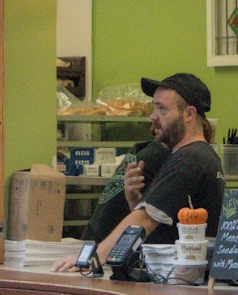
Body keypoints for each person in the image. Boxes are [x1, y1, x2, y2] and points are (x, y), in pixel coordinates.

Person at [54, 73, 225, 271]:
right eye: (154, 107)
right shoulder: (202, 156)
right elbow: (163, 223)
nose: (153, 116)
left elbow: (145, 219)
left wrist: (91, 259)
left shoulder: (189, 159)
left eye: (162, 108)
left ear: (189, 114)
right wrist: (135, 199)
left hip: (182, 282)